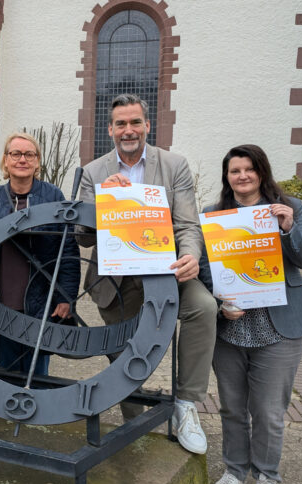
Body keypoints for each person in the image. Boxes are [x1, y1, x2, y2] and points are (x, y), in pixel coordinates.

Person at [78, 93, 217, 455]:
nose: (129, 130)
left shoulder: (174, 165)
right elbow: (80, 235)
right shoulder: (94, 171)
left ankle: (186, 405)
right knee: (124, 352)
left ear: (147, 125)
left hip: (165, 270)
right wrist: (98, 206)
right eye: (121, 123)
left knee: (203, 308)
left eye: (135, 122)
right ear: (110, 129)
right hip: (116, 279)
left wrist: (190, 256)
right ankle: (134, 426)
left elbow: (188, 224)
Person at [199, 144, 302, 484]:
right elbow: (206, 269)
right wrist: (220, 303)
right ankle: (235, 472)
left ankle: (267, 477)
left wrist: (287, 229)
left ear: (261, 172)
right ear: (227, 177)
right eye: (235, 171)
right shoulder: (214, 214)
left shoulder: (290, 208)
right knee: (232, 408)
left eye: (249, 169)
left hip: (277, 328)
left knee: (268, 412)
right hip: (231, 327)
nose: (242, 176)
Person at [0, 132, 80, 374]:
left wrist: (66, 297)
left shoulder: (52, 196)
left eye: (29, 154)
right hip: (0, 301)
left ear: (37, 161)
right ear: (6, 161)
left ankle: (35, 408)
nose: (22, 159)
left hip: (40, 301)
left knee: (36, 372)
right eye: (16, 154)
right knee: (5, 370)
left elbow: (68, 251)